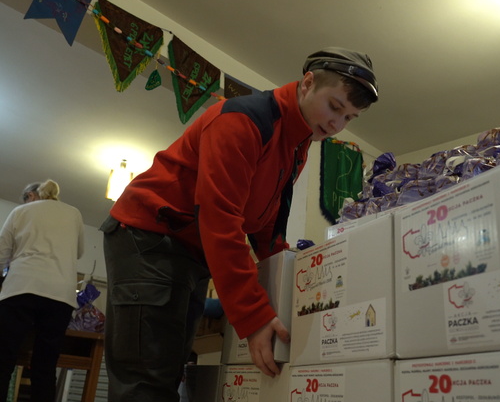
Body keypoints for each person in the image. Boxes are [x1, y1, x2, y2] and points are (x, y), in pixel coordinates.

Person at [101, 47, 378, 401]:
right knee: (146, 383)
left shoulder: (298, 142)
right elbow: (220, 218)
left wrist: (288, 281)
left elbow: (265, 220)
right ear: (308, 83)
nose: (338, 124)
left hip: (190, 250)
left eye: (349, 117)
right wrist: (255, 316)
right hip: (150, 236)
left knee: (168, 372)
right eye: (335, 107)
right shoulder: (243, 120)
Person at [0, 180, 84, 402]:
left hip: (22, 288)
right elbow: (79, 252)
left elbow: (1, 254)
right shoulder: (74, 213)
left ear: (30, 196)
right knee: (45, 366)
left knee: (3, 360)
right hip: (60, 295)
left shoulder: (20, 212)